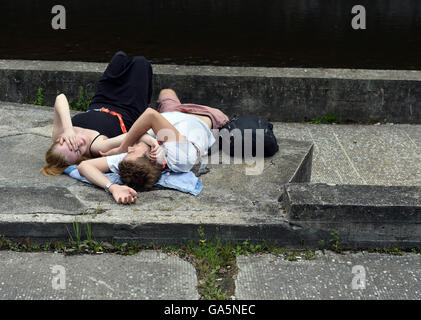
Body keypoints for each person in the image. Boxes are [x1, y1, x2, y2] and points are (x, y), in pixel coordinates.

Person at [77, 89, 225, 204]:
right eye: (132, 150)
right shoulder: (180, 158)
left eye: (128, 150)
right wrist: (123, 145)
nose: (130, 149)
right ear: (152, 157)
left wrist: (112, 187)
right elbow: (150, 115)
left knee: (166, 92)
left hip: (168, 114)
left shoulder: (133, 161)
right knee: (169, 95)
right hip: (202, 115)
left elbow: (84, 166)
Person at [42, 51, 153, 176]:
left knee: (119, 57)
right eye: (78, 151)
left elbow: (60, 98)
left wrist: (68, 130)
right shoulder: (97, 147)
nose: (79, 143)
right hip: (128, 108)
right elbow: (129, 136)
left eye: (70, 143)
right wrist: (149, 139)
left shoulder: (61, 132)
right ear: (81, 157)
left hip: (102, 100)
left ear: (59, 140)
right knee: (140, 62)